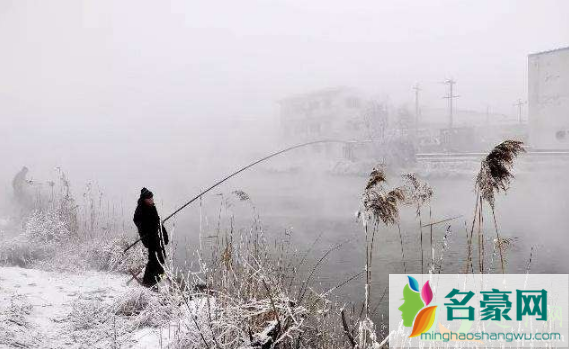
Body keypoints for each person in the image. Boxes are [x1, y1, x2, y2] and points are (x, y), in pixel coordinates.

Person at [133, 187, 169, 287]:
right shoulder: (140, 208)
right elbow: (136, 220)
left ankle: (159, 278)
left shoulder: (152, 207)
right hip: (148, 238)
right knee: (154, 258)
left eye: (152, 198)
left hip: (156, 236)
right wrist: (145, 229)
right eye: (150, 198)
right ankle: (148, 282)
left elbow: (158, 223)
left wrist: (165, 236)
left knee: (161, 257)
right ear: (145, 199)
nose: (152, 200)